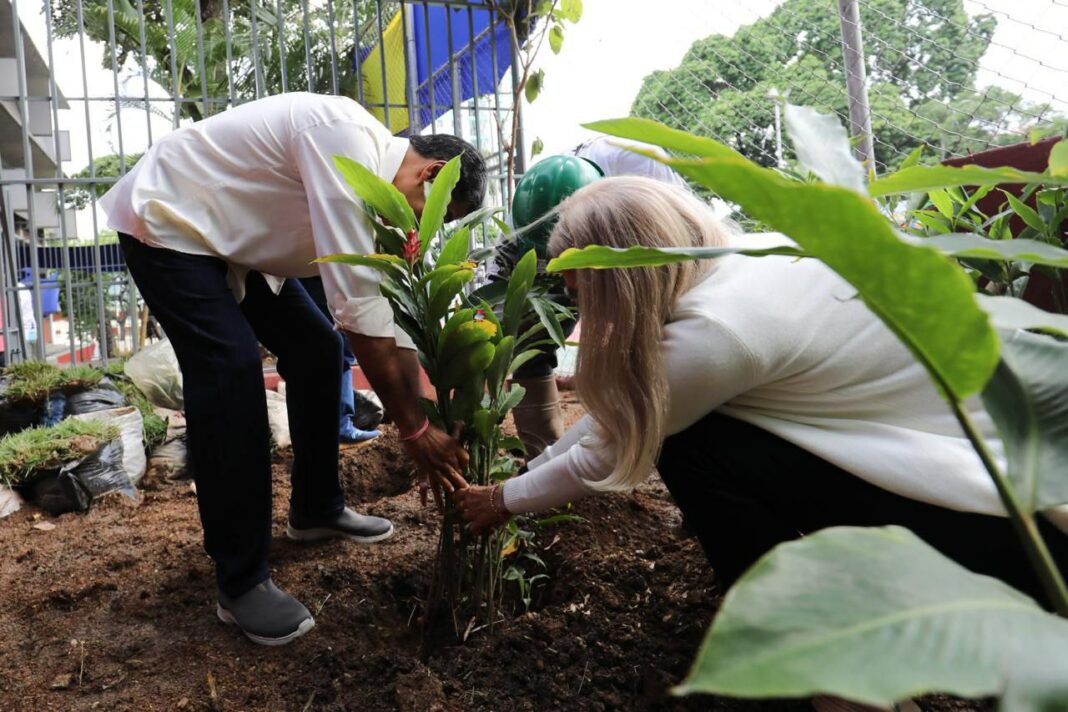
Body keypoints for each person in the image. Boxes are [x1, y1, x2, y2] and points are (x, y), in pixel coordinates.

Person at [455, 176, 1068, 611]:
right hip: (1010, 487)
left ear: (622, 280)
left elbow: (617, 445)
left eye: (585, 285)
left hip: (1022, 538)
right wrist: (529, 471)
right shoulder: (741, 263)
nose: (581, 302)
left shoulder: (719, 333)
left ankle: (800, 638)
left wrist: (502, 501)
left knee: (689, 442)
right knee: (683, 424)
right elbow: (623, 414)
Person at [101, 92, 485, 646]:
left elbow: (393, 321)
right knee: (230, 372)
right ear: (432, 174)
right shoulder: (345, 141)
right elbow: (357, 311)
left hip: (236, 242)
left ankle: (316, 508)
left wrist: (427, 414)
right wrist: (414, 431)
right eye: (436, 213)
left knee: (316, 352)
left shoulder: (385, 199)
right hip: (172, 221)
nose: (423, 231)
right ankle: (241, 581)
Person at [493, 137, 687, 458]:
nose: (573, 284)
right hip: (561, 240)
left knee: (657, 328)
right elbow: (496, 301)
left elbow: (683, 244)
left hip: (632, 242)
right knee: (529, 338)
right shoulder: (524, 217)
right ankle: (542, 454)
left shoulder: (642, 164)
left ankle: (658, 434)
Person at [299, 275, 381, 446]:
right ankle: (342, 427)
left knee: (331, 351)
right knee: (339, 351)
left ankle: (333, 426)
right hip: (323, 277)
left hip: (310, 277)